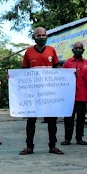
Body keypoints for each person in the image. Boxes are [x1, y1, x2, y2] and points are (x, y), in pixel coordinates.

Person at [19, 27, 65, 156]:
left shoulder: (51, 50)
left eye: (43, 35)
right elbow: (23, 72)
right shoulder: (28, 52)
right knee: (31, 121)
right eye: (38, 35)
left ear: (47, 36)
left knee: (52, 121)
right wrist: (13, 77)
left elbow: (57, 67)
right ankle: (29, 146)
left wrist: (68, 73)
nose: (41, 37)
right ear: (34, 37)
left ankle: (53, 146)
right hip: (34, 94)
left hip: (49, 93)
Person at [61, 42, 87, 145]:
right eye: (76, 48)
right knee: (68, 119)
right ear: (72, 50)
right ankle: (67, 139)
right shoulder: (67, 63)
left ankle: (79, 138)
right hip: (69, 97)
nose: (78, 50)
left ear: (83, 50)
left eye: (80, 48)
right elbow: (61, 79)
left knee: (81, 119)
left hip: (82, 96)